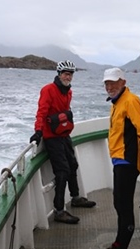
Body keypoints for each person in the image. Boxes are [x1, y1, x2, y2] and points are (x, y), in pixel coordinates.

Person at [29, 60, 96, 224]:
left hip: (64, 134)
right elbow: (42, 112)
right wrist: (38, 131)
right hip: (51, 137)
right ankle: (59, 211)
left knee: (73, 164)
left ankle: (76, 198)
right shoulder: (48, 90)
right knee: (63, 171)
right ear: (59, 74)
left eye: (71, 74)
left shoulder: (68, 91)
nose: (69, 76)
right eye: (66, 73)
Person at [102, 68, 140, 249]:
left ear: (123, 82)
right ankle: (119, 242)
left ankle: (120, 245)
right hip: (119, 160)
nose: (109, 86)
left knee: (124, 205)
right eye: (107, 83)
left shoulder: (131, 101)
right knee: (118, 202)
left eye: (113, 82)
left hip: (128, 161)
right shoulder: (117, 103)